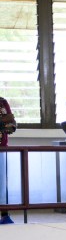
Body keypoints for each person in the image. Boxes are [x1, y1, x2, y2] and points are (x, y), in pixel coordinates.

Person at [0, 95, 17, 224]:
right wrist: (2, 122)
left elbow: (11, 125)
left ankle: (5, 215)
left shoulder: (2, 102)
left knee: (2, 182)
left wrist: (9, 123)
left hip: (2, 148)